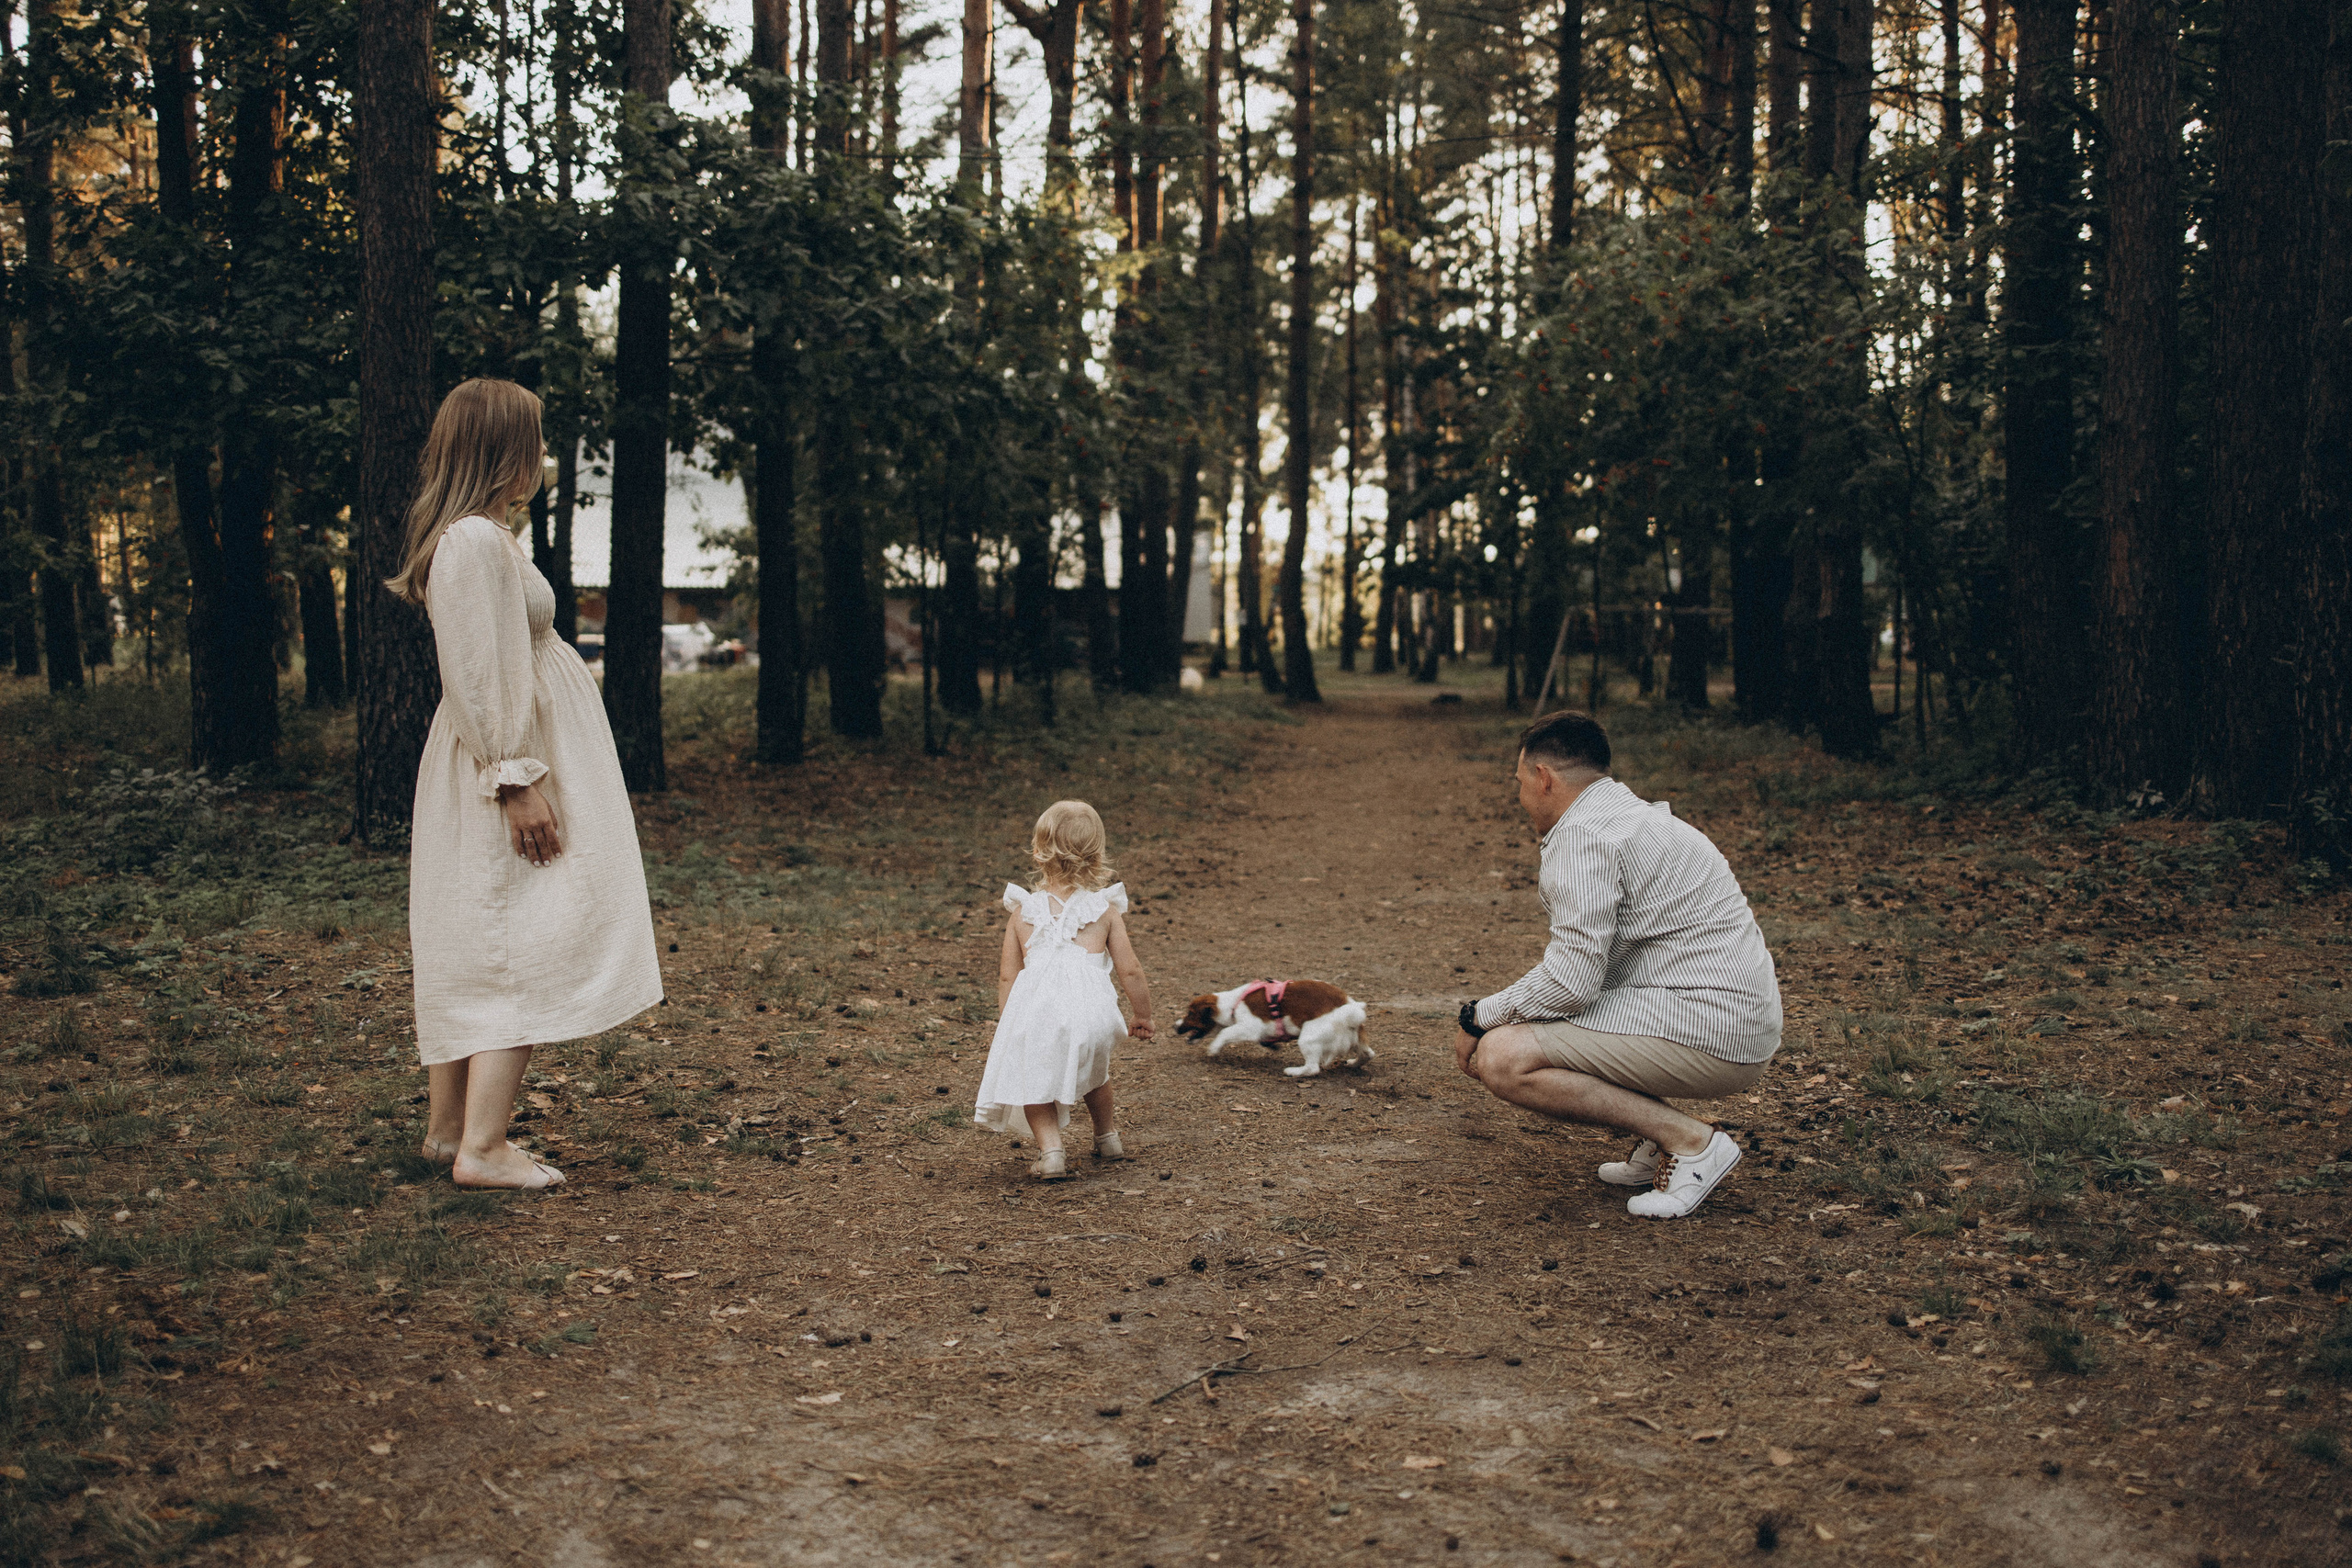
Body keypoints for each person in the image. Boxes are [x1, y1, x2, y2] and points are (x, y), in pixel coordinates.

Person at [388, 378, 664, 1190]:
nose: (542, 456)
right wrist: (515, 777)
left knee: (486, 935)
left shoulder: (487, 538)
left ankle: (449, 1131)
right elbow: (476, 669)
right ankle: (484, 1146)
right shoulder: (473, 542)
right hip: (504, 765)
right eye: (535, 440)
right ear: (503, 448)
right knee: (523, 935)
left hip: (515, 756)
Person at [1454, 710, 1781, 1219]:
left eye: (1519, 783)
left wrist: (1478, 1016)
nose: (1520, 798)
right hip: (1732, 1018)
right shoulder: (1634, 817)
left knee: (1502, 1056)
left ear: (1544, 779)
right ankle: (1657, 1138)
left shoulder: (1584, 835)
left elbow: (1570, 982)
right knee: (1550, 1019)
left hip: (1716, 1029)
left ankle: (1691, 1143)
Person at [975, 801, 1156, 1180]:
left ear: (1038, 851)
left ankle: (1052, 1152)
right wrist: (1142, 1015)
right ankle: (1107, 1138)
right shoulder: (1104, 909)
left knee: (1033, 1080)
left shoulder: (1023, 912)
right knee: (1095, 1072)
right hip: (1092, 1013)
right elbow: (1131, 968)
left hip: (1038, 1013)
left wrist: (1011, 1024)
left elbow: (1008, 976)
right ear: (1096, 855)